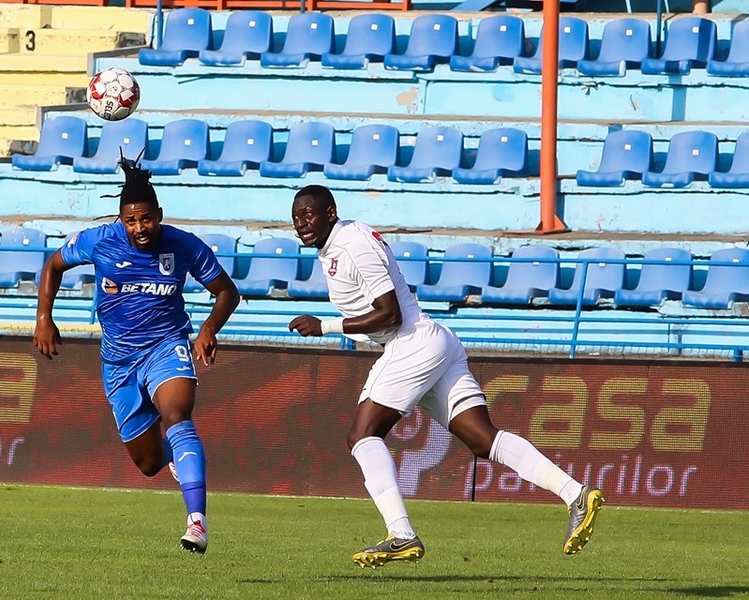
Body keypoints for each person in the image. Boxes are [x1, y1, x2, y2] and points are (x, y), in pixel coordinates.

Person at [287, 184, 604, 568]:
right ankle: (576, 494)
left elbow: (391, 314)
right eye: (296, 217)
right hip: (433, 343)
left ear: (331, 213)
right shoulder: (339, 244)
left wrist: (325, 326)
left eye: (309, 214)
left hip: (411, 341)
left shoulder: (352, 243)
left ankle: (400, 534)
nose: (301, 224)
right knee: (482, 439)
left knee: (362, 434)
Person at [33, 153, 240, 555]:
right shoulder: (99, 240)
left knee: (177, 414)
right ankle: (181, 454)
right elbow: (54, 265)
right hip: (118, 361)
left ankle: (197, 521)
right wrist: (44, 317)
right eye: (131, 220)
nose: (140, 228)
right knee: (147, 463)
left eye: (146, 219)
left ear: (158, 215)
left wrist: (208, 329)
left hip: (167, 346)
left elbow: (226, 291)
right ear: (121, 219)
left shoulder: (183, 245)